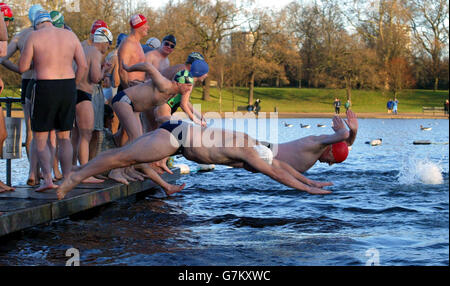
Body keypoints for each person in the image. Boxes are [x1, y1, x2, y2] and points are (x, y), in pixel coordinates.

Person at [56, 119, 336, 200]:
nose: (253, 170)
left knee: (124, 157)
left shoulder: (253, 145)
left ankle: (79, 170)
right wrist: (308, 189)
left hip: (177, 131)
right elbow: (277, 174)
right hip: (177, 138)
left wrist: (312, 181)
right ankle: (75, 176)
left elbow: (281, 167)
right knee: (121, 158)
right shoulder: (251, 152)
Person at [18, 10, 88, 192]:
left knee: (40, 138)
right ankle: (66, 178)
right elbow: (83, 65)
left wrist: (37, 61)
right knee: (64, 136)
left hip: (45, 87)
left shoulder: (34, 36)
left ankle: (48, 179)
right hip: (68, 87)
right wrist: (75, 83)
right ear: (50, 21)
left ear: (36, 24)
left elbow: (22, 67)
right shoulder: (70, 35)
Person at [0, 4, 45, 185]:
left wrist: (20, 70)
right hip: (45, 84)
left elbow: (2, 58)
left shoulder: (22, 36)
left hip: (28, 82)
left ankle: (32, 171)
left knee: (31, 130)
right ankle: (45, 171)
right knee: (47, 132)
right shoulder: (50, 33)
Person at [72, 27, 112, 184]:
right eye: (108, 45)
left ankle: (73, 169)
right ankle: (85, 174)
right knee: (85, 135)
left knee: (74, 136)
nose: (107, 48)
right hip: (84, 95)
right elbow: (95, 78)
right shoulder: (95, 53)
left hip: (73, 93)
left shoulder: (83, 49)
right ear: (103, 42)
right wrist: (104, 70)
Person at [261, 110, 358, 174]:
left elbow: (347, 143)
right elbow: (344, 135)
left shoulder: (319, 150)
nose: (330, 164)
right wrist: (342, 130)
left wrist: (354, 131)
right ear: (331, 151)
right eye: (332, 160)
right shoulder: (316, 145)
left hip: (265, 155)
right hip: (263, 151)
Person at [118, 14, 149, 92]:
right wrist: (128, 92)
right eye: (145, 24)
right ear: (138, 26)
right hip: (129, 90)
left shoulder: (137, 43)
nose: (148, 27)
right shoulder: (127, 44)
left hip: (138, 88)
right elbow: (122, 71)